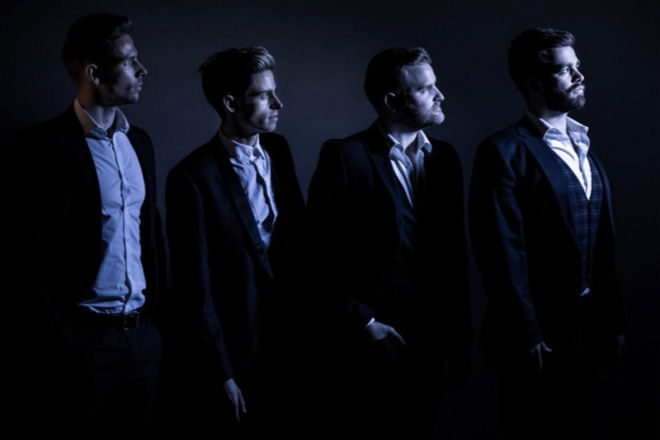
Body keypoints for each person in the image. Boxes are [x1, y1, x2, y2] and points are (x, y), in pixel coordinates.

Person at [11, 13, 164, 439]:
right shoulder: (41, 147)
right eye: (129, 61)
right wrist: (62, 338)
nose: (142, 70)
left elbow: (151, 235)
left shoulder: (140, 143)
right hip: (83, 344)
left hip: (143, 339)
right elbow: (23, 255)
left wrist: (155, 328)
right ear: (94, 73)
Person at [305, 47, 471, 439]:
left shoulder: (445, 159)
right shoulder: (345, 156)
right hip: (369, 343)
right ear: (392, 101)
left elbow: (453, 256)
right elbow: (316, 255)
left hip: (431, 341)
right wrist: (364, 322)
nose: (440, 95)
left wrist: (458, 340)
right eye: (426, 89)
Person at [469, 28, 626, 440]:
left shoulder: (584, 144)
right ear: (533, 82)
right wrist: (527, 333)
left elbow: (602, 243)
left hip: (589, 333)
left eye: (578, 66)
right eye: (564, 70)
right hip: (537, 338)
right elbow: (502, 251)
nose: (579, 76)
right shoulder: (503, 151)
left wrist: (611, 322)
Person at [166, 47, 305, 438]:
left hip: (295, 343)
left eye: (274, 92)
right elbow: (195, 287)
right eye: (263, 95)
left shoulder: (279, 150)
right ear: (230, 103)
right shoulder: (191, 177)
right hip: (240, 352)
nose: (278, 103)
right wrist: (221, 373)